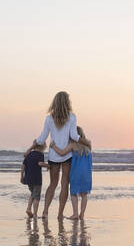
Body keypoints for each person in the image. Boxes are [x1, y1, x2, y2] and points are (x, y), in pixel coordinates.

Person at [24, 91, 91, 219]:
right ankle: (60, 214)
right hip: (67, 155)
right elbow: (74, 136)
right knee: (64, 184)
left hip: (54, 155)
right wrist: (86, 142)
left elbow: (42, 138)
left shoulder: (49, 118)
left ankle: (45, 212)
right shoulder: (72, 116)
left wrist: (30, 148)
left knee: (53, 184)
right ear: (67, 102)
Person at [51, 126, 92, 220]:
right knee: (84, 194)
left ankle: (75, 214)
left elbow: (62, 153)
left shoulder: (73, 145)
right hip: (87, 174)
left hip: (76, 173)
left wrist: (53, 146)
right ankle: (82, 215)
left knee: (73, 193)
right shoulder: (89, 144)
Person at [21, 142, 50, 218]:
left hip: (28, 178)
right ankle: (35, 214)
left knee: (33, 194)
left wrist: (21, 177)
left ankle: (28, 208)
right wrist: (48, 165)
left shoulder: (28, 154)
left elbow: (23, 166)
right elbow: (40, 163)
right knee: (37, 197)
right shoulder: (40, 154)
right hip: (36, 179)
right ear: (43, 147)